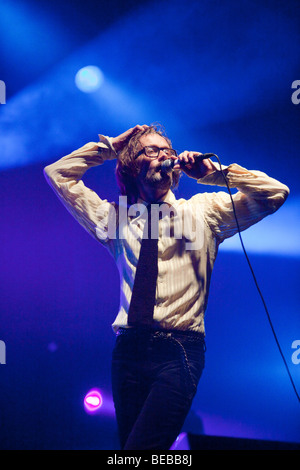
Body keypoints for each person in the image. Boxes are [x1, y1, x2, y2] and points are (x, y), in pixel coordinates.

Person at [44, 124, 289, 450]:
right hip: (128, 352)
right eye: (151, 150)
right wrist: (109, 147)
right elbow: (58, 174)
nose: (164, 155)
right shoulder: (117, 219)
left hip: (178, 352)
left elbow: (275, 193)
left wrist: (215, 173)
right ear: (132, 164)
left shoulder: (203, 211)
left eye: (167, 151)